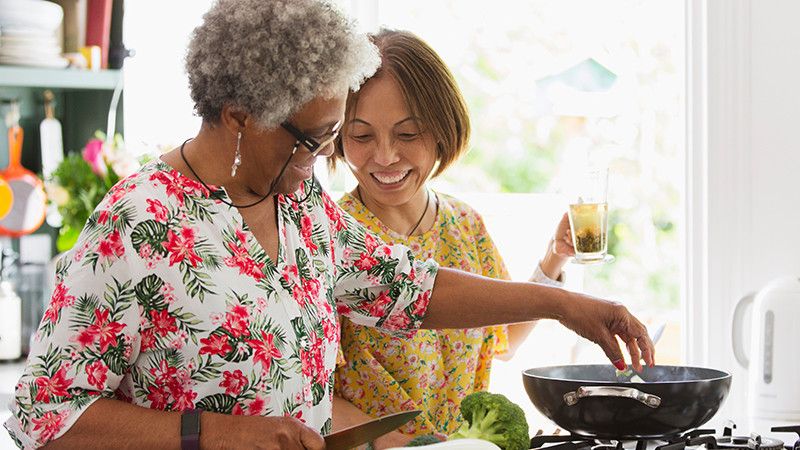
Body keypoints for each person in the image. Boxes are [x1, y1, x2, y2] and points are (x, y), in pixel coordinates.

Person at [4, 1, 653, 449]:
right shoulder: (139, 222)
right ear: (236, 115)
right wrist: (219, 433)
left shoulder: (300, 204)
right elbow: (42, 413)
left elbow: (408, 288)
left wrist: (563, 301)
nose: (323, 161)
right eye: (315, 140)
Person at [329, 29, 578, 447]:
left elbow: (505, 340)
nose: (386, 156)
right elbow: (310, 395)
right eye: (361, 136)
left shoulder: (465, 224)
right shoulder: (329, 235)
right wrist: (406, 446)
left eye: (408, 134)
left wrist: (554, 259)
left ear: (444, 128)